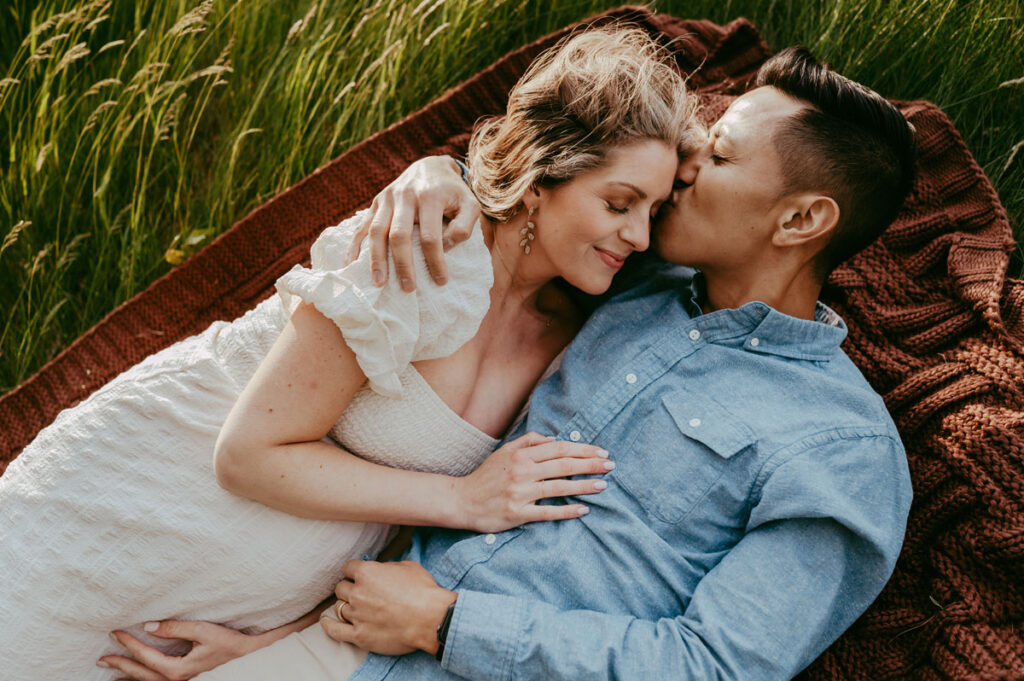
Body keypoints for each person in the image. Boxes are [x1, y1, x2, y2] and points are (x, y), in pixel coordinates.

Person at [184, 45, 918, 680]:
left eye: (719, 156)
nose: (687, 169)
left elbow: (716, 666)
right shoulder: (624, 284)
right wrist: (436, 172)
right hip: (343, 642)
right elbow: (538, 200)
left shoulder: (840, 449)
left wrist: (445, 623)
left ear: (800, 220)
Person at [0, 27, 696, 681]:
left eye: (653, 210)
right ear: (544, 176)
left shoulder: (570, 341)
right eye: (619, 202)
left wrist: (277, 639)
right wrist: (464, 497)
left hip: (223, 615)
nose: (637, 234)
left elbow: (394, 539)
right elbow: (247, 454)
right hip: (118, 516)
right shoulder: (425, 247)